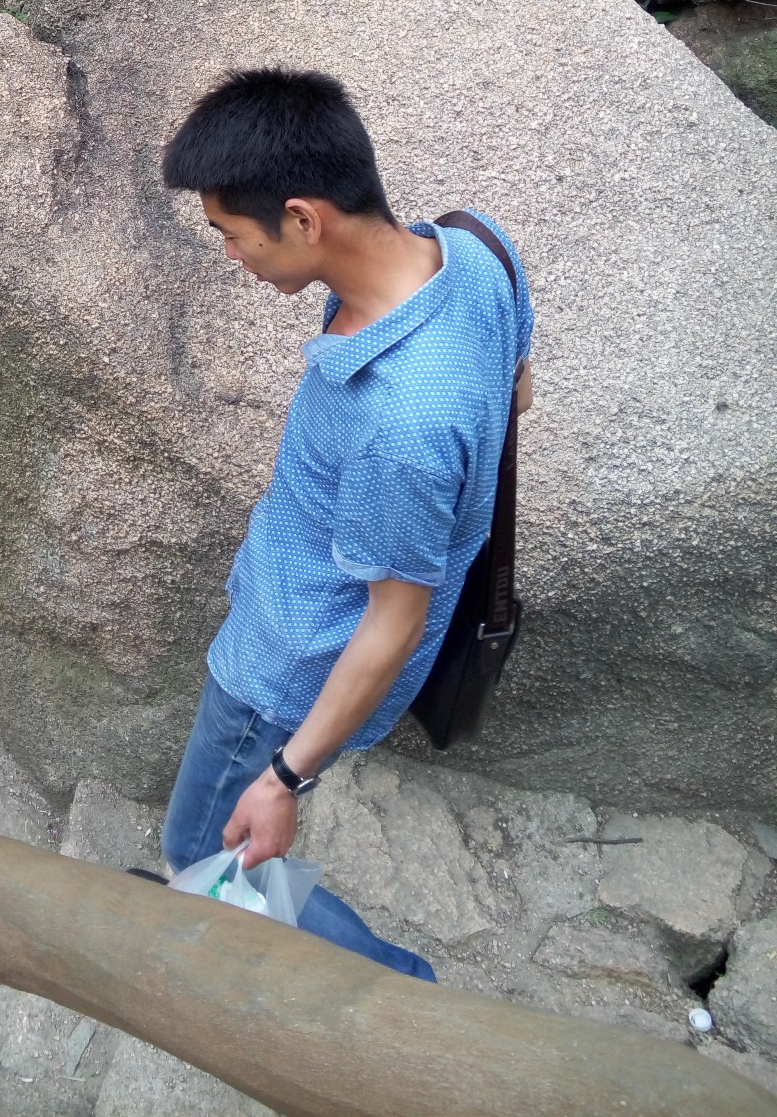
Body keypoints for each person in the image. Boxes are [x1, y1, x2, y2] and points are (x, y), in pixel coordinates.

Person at [157, 67, 533, 977]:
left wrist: (287, 776)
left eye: (233, 236)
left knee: (203, 856)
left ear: (305, 217)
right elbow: (516, 386)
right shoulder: (473, 250)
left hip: (284, 670)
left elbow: (397, 617)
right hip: (297, 612)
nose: (232, 256)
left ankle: (400, 993)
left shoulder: (399, 420)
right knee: (217, 855)